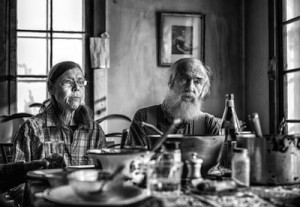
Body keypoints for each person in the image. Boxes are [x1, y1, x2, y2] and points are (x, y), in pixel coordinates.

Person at [10, 61, 106, 206]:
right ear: (51, 88)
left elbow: (104, 178)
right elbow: (15, 183)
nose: (76, 88)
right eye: (68, 82)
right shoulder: (32, 129)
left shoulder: (95, 131)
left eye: (81, 82)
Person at [127, 58, 221, 149]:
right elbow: (134, 160)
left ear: (203, 90)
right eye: (184, 79)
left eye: (197, 82)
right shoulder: (144, 118)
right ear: (171, 83)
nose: (190, 87)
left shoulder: (209, 124)